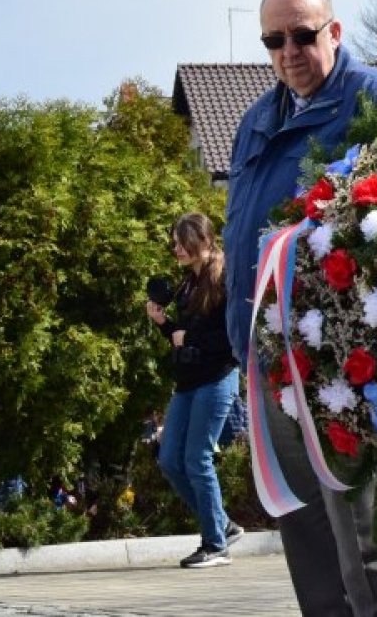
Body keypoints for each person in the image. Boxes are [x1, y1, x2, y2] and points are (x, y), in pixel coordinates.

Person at [223, 0, 377, 616]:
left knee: (368, 539)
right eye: (274, 41)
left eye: (303, 35)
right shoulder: (255, 119)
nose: (289, 52)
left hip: (343, 358)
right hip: (271, 355)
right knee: (304, 531)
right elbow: (240, 228)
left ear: (335, 31)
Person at [148, 212, 242, 570]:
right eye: (174, 243)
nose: (176, 249)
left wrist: (191, 337)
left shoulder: (224, 278)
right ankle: (222, 524)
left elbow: (231, 338)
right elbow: (182, 339)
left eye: (180, 242)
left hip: (217, 379)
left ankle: (215, 545)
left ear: (202, 241)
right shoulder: (188, 284)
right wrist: (164, 324)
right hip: (187, 382)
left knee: (197, 459)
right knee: (170, 460)